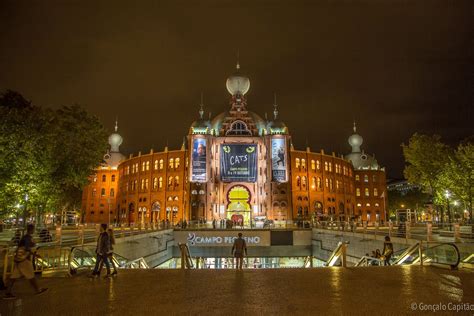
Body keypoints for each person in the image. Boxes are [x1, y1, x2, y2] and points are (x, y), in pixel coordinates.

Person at [4, 224, 48, 299]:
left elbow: (22, 247)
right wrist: (35, 255)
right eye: (33, 229)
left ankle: (8, 292)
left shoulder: (24, 237)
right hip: (24, 260)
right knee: (31, 276)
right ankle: (38, 289)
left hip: (19, 259)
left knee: (14, 277)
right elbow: (27, 249)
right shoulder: (28, 238)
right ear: (31, 229)